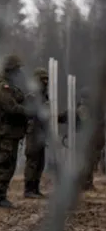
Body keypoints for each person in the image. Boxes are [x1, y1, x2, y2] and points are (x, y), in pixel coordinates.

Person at [24, 67, 70, 198]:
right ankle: (29, 189)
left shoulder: (45, 96)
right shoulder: (32, 95)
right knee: (33, 161)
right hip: (33, 131)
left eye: (46, 79)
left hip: (42, 131)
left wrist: (60, 117)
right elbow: (30, 112)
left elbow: (48, 115)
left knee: (40, 161)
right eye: (43, 79)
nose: (45, 82)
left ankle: (35, 187)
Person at [0, 54, 29, 208]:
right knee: (4, 163)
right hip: (5, 132)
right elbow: (11, 107)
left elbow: (18, 99)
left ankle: (1, 196)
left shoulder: (11, 86)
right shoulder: (2, 87)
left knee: (9, 164)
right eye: (17, 69)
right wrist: (29, 110)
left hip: (11, 132)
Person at [75, 87, 105, 191]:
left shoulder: (93, 108)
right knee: (87, 161)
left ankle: (87, 182)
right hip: (86, 139)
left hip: (92, 139)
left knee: (90, 162)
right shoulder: (83, 108)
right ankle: (85, 183)